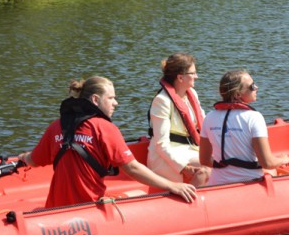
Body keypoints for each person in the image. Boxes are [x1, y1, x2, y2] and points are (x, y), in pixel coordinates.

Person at [18, 76, 197, 208]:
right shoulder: (104, 128)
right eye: (111, 98)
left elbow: (34, 160)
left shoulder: (56, 127)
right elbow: (132, 168)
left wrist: (23, 157)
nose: (116, 103)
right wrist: (172, 185)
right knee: (140, 193)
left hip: (55, 209)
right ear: (95, 99)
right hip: (88, 208)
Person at [199, 70, 289, 185]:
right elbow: (267, 162)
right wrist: (283, 159)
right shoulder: (254, 117)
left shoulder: (209, 117)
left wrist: (227, 166)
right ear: (238, 94)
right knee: (273, 170)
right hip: (248, 184)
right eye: (252, 86)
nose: (256, 87)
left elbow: (204, 160)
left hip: (216, 184)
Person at [147, 53, 210, 186]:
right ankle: (189, 202)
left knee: (222, 161)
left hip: (190, 150)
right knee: (207, 169)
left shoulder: (192, 93)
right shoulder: (162, 101)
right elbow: (161, 145)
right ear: (180, 77)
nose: (196, 76)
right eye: (193, 73)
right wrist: (184, 167)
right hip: (165, 157)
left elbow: (205, 123)